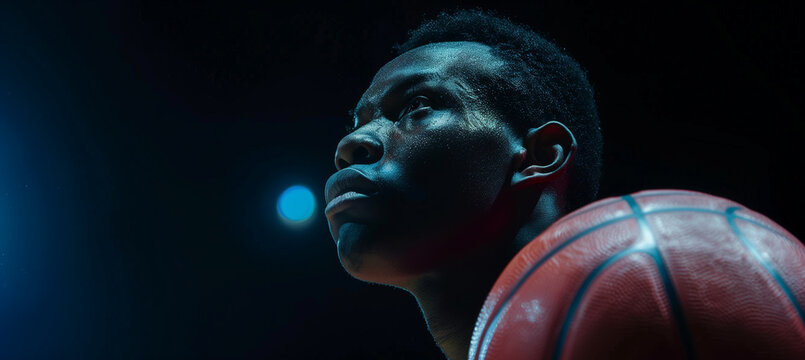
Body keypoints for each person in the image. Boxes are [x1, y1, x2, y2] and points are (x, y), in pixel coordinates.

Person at [324, 9, 601, 359]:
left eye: (417, 105)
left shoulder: (660, 293)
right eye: (356, 123)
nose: (350, 144)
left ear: (539, 155)